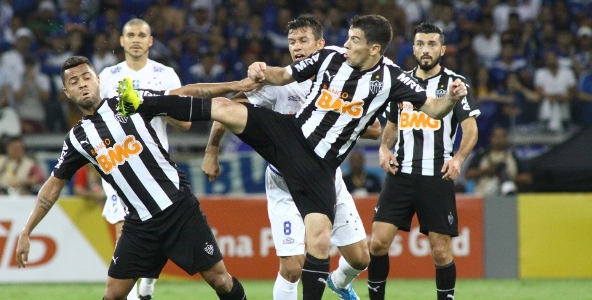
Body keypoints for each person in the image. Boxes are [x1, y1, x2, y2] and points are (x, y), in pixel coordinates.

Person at [117, 14, 468, 300]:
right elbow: (283, 74)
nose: (345, 44)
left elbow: (435, 109)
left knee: (319, 241)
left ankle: (330, 288)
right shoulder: (331, 56)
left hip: (320, 169)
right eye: (346, 38)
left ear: (374, 49)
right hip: (290, 138)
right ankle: (139, 103)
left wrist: (452, 97)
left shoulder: (392, 79)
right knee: (225, 108)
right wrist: (260, 70)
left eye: (354, 41)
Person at [15, 56, 248, 300]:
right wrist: (26, 231)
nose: (82, 84)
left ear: (97, 79)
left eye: (86, 77)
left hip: (178, 209)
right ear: (66, 92)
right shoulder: (77, 139)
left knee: (220, 280)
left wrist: (236, 86)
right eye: (73, 81)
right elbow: (52, 187)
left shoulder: (129, 102)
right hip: (140, 224)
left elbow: (186, 92)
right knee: (113, 295)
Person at [200, 15, 378, 300]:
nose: (296, 47)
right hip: (284, 183)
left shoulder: (340, 78)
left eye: (303, 40)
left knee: (360, 259)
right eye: (292, 42)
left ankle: (340, 283)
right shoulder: (277, 82)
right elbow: (228, 110)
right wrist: (211, 151)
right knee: (293, 267)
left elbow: (374, 128)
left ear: (320, 44)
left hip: (325, 178)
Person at [366, 23, 480, 300]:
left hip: (436, 175)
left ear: (442, 49)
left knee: (440, 251)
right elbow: (391, 125)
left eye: (431, 44)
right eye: (420, 44)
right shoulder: (401, 81)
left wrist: (458, 159)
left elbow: (471, 129)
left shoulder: (455, 83)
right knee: (378, 243)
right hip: (400, 174)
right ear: (413, 47)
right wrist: (383, 149)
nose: (425, 50)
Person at [97, 18, 191, 300]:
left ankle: (146, 288)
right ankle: (127, 295)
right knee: (124, 232)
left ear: (150, 41)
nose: (136, 39)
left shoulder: (166, 76)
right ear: (122, 41)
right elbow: (95, 122)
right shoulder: (108, 76)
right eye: (130, 35)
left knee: (158, 231)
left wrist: (151, 105)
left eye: (142, 35)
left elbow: (185, 122)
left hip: (154, 167)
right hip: (118, 167)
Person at [465, 126, 532, 196]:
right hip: (484, 196)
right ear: (491, 138)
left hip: (508, 196)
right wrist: (486, 171)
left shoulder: (512, 155)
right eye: (497, 137)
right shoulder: (482, 154)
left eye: (502, 137)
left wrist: (509, 177)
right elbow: (468, 174)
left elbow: (527, 178)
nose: (500, 140)